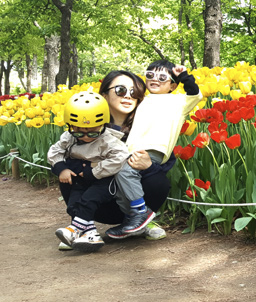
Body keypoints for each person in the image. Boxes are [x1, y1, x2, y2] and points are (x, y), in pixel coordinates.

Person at [57, 70, 175, 250]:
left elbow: (166, 164)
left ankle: (143, 219)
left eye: (134, 92)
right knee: (68, 174)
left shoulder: (150, 128)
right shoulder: (87, 125)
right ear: (104, 94)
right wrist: (87, 168)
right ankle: (81, 227)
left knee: (158, 179)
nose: (128, 96)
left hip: (132, 197)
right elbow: (63, 153)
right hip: (98, 197)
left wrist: (149, 166)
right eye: (120, 90)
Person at [105, 60, 202, 239]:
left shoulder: (178, 102)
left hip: (154, 149)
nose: (155, 79)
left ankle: (140, 213)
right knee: (120, 184)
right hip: (132, 149)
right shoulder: (142, 100)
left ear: (172, 85)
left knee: (125, 174)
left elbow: (195, 94)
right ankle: (133, 221)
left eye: (162, 77)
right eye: (150, 75)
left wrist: (184, 76)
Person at [50, 91, 130, 252]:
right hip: (79, 178)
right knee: (73, 204)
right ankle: (91, 235)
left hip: (103, 180)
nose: (85, 137)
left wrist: (94, 172)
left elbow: (120, 158)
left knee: (89, 200)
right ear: (70, 126)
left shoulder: (109, 140)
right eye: (79, 132)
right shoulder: (69, 137)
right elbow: (55, 151)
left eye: (92, 132)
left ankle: (73, 231)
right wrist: (61, 168)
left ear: (103, 125)